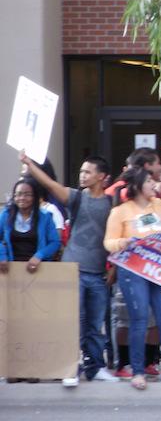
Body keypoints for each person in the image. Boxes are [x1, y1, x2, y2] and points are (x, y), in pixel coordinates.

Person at [20, 151, 117, 382]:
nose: (82, 175)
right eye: (81, 171)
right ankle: (69, 368)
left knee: (94, 324)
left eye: (88, 172)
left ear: (102, 176)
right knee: (71, 322)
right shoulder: (77, 198)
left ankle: (96, 368)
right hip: (73, 270)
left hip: (99, 273)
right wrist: (29, 165)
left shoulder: (112, 203)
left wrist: (113, 267)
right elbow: (51, 184)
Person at [103, 166, 161, 390]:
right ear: (137, 186)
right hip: (133, 269)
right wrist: (122, 243)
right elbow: (108, 242)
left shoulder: (159, 205)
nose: (153, 185)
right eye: (149, 181)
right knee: (139, 319)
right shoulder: (120, 211)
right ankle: (137, 370)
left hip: (159, 268)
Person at [0, 177, 61, 273]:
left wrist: (39, 255)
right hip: (9, 270)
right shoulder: (5, 215)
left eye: (27, 194)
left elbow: (55, 242)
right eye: (18, 194)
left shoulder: (45, 217)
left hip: (38, 270)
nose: (22, 198)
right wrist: (2, 255)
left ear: (35, 197)